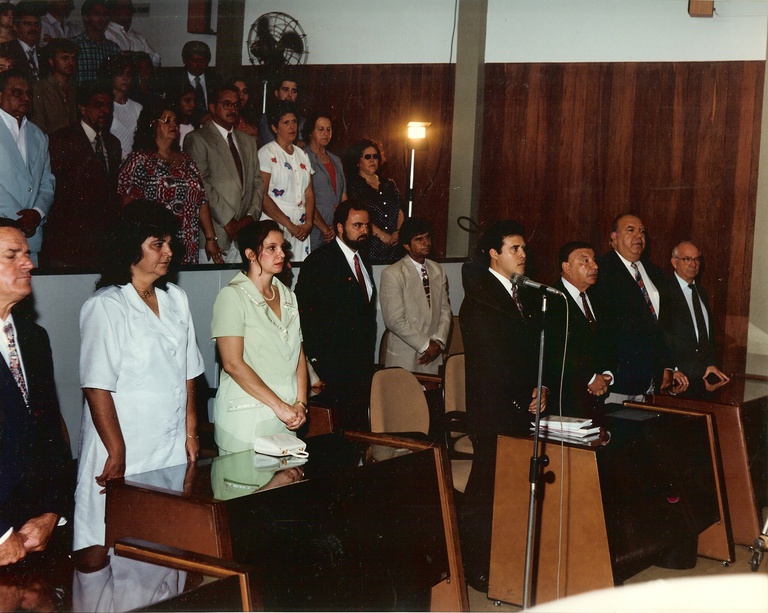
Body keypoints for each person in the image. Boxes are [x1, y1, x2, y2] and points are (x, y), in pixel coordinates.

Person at [74, 201, 205, 550]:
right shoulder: (106, 305)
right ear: (131, 248)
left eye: (169, 243)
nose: (168, 252)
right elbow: (96, 386)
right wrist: (117, 450)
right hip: (124, 444)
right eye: (157, 244)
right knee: (116, 546)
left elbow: (189, 372)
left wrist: (191, 431)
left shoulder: (176, 299)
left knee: (165, 545)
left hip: (169, 445)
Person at [458, 220, 548, 590]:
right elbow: (491, 363)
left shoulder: (523, 294)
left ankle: (505, 560)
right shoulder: (480, 297)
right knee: (487, 488)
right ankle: (475, 566)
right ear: (494, 254)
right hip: (494, 409)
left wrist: (540, 386)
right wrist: (522, 395)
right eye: (515, 248)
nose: (523, 254)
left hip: (520, 405)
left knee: (510, 487)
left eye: (524, 248)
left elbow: (531, 352)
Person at [0, 218, 72, 566]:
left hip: (35, 531)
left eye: (27, 254)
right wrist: (1, 534)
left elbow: (50, 433)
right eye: (12, 255)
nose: (28, 264)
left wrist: (52, 513)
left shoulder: (34, 338)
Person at [211, 220, 308, 454]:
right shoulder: (232, 296)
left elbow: (299, 355)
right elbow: (232, 363)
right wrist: (280, 406)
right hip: (246, 420)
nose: (281, 254)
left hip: (286, 418)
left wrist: (301, 403)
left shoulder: (288, 296)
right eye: (272, 248)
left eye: (282, 247)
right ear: (250, 254)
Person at [294, 199, 377, 432]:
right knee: (333, 435)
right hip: (330, 369)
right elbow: (303, 313)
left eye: (367, 225)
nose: (364, 231)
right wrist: (313, 364)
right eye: (357, 225)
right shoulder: (321, 261)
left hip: (360, 365)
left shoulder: (362, 259)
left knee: (357, 430)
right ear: (340, 227)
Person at [596, 213, 688, 403]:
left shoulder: (654, 272)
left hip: (652, 379)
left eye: (642, 232)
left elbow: (665, 325)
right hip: (619, 380)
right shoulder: (602, 272)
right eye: (630, 230)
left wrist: (667, 365)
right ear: (614, 238)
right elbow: (605, 330)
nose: (639, 236)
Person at [119, 104, 221, 265]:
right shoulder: (139, 160)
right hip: (155, 244)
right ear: (152, 125)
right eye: (167, 120)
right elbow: (127, 207)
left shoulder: (187, 161)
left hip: (187, 243)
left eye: (175, 121)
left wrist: (210, 238)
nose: (174, 124)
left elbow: (202, 200)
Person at [44, 81, 121, 269]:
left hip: (103, 243)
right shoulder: (61, 140)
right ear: (82, 108)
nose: (105, 111)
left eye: (109, 106)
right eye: (98, 105)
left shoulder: (112, 143)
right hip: (69, 244)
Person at [184, 85, 263, 263]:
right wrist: (228, 222)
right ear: (212, 107)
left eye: (236, 105)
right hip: (215, 234)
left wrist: (250, 217)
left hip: (244, 235)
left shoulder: (248, 141)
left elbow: (257, 183)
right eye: (227, 104)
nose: (233, 109)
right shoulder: (197, 139)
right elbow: (201, 184)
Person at [545, 241, 614, 421]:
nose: (595, 266)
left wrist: (607, 374)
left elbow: (607, 341)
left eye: (594, 260)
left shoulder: (597, 297)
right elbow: (555, 351)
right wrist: (589, 378)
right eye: (585, 261)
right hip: (567, 402)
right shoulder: (552, 299)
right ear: (566, 267)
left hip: (597, 399)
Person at [379, 217, 451, 375]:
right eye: (419, 239)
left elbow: (445, 311)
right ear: (406, 245)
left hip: (433, 355)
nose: (426, 242)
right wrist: (426, 345)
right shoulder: (393, 273)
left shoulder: (438, 270)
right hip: (405, 355)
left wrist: (439, 342)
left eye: (427, 237)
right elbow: (394, 320)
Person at [659, 241, 730, 396]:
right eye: (687, 259)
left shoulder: (701, 293)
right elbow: (662, 337)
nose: (693, 264)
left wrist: (710, 365)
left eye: (697, 259)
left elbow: (706, 336)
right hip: (679, 380)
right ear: (674, 262)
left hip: (703, 378)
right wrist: (672, 369)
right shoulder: (664, 292)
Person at [0, 69, 55, 266]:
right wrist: (18, 218)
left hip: (31, 239)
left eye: (28, 94)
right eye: (17, 92)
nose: (25, 98)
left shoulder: (38, 135)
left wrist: (37, 213)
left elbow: (47, 181)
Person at [258, 101, 315, 262]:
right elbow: (262, 196)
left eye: (294, 122)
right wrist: (290, 226)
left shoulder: (302, 154)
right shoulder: (267, 153)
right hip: (277, 226)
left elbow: (309, 193)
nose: (292, 127)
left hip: (301, 228)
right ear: (274, 128)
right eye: (286, 123)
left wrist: (308, 223)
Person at [345, 139, 404, 264]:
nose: (372, 160)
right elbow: (359, 217)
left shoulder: (389, 184)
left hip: (395, 246)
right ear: (358, 161)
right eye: (367, 157)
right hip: (370, 246)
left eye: (375, 156)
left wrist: (398, 232)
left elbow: (399, 211)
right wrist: (382, 235)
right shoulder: (354, 186)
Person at [303, 112, 346, 252]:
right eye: (321, 129)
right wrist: (325, 229)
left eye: (329, 129)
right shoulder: (303, 156)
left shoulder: (336, 160)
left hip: (335, 229)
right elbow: (304, 198)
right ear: (310, 132)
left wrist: (337, 225)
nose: (326, 133)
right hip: (313, 228)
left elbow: (343, 197)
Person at [30, 37, 78, 134]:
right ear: (51, 61)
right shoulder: (40, 89)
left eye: (73, 58)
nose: (71, 62)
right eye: (65, 58)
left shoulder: (74, 89)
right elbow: (37, 127)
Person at [98, 54, 141, 159]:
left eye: (128, 74)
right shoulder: (104, 107)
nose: (125, 78)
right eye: (120, 74)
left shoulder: (138, 108)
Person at [170, 40, 221, 126]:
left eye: (202, 61)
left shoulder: (215, 79)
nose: (199, 65)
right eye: (194, 61)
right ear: (185, 60)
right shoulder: (175, 81)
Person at [71, 0, 120, 84]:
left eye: (105, 15)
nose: (102, 19)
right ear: (85, 16)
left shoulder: (114, 48)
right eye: (97, 14)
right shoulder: (74, 45)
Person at [105, 0, 160, 67]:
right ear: (112, 11)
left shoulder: (138, 37)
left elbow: (156, 59)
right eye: (123, 7)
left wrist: (135, 56)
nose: (127, 11)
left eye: (130, 8)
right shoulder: (106, 32)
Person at [258, 75, 305, 147]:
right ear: (276, 93)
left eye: (293, 91)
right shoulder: (266, 119)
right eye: (286, 90)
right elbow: (273, 146)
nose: (290, 95)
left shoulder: (302, 122)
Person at [0, 2, 42, 82]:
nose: (33, 28)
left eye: (37, 24)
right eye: (27, 24)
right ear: (15, 27)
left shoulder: (45, 53)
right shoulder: (5, 50)